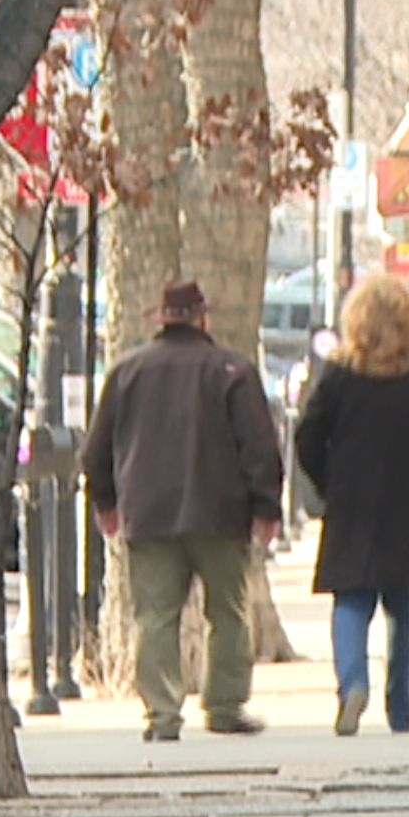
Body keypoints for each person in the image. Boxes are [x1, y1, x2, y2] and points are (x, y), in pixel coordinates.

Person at [82, 280, 284, 740]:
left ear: (164, 319)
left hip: (149, 512)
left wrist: (106, 501)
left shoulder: (127, 371)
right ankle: (226, 705)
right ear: (203, 320)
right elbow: (258, 446)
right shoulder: (232, 370)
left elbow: (95, 449)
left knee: (155, 617)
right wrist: (265, 506)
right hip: (219, 512)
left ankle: (162, 714)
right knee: (229, 613)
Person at [291, 277, 409, 737]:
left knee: (351, 601)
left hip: (352, 505)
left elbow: (307, 435)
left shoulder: (340, 377)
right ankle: (403, 706)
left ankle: (353, 683)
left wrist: (327, 480)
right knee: (407, 611)